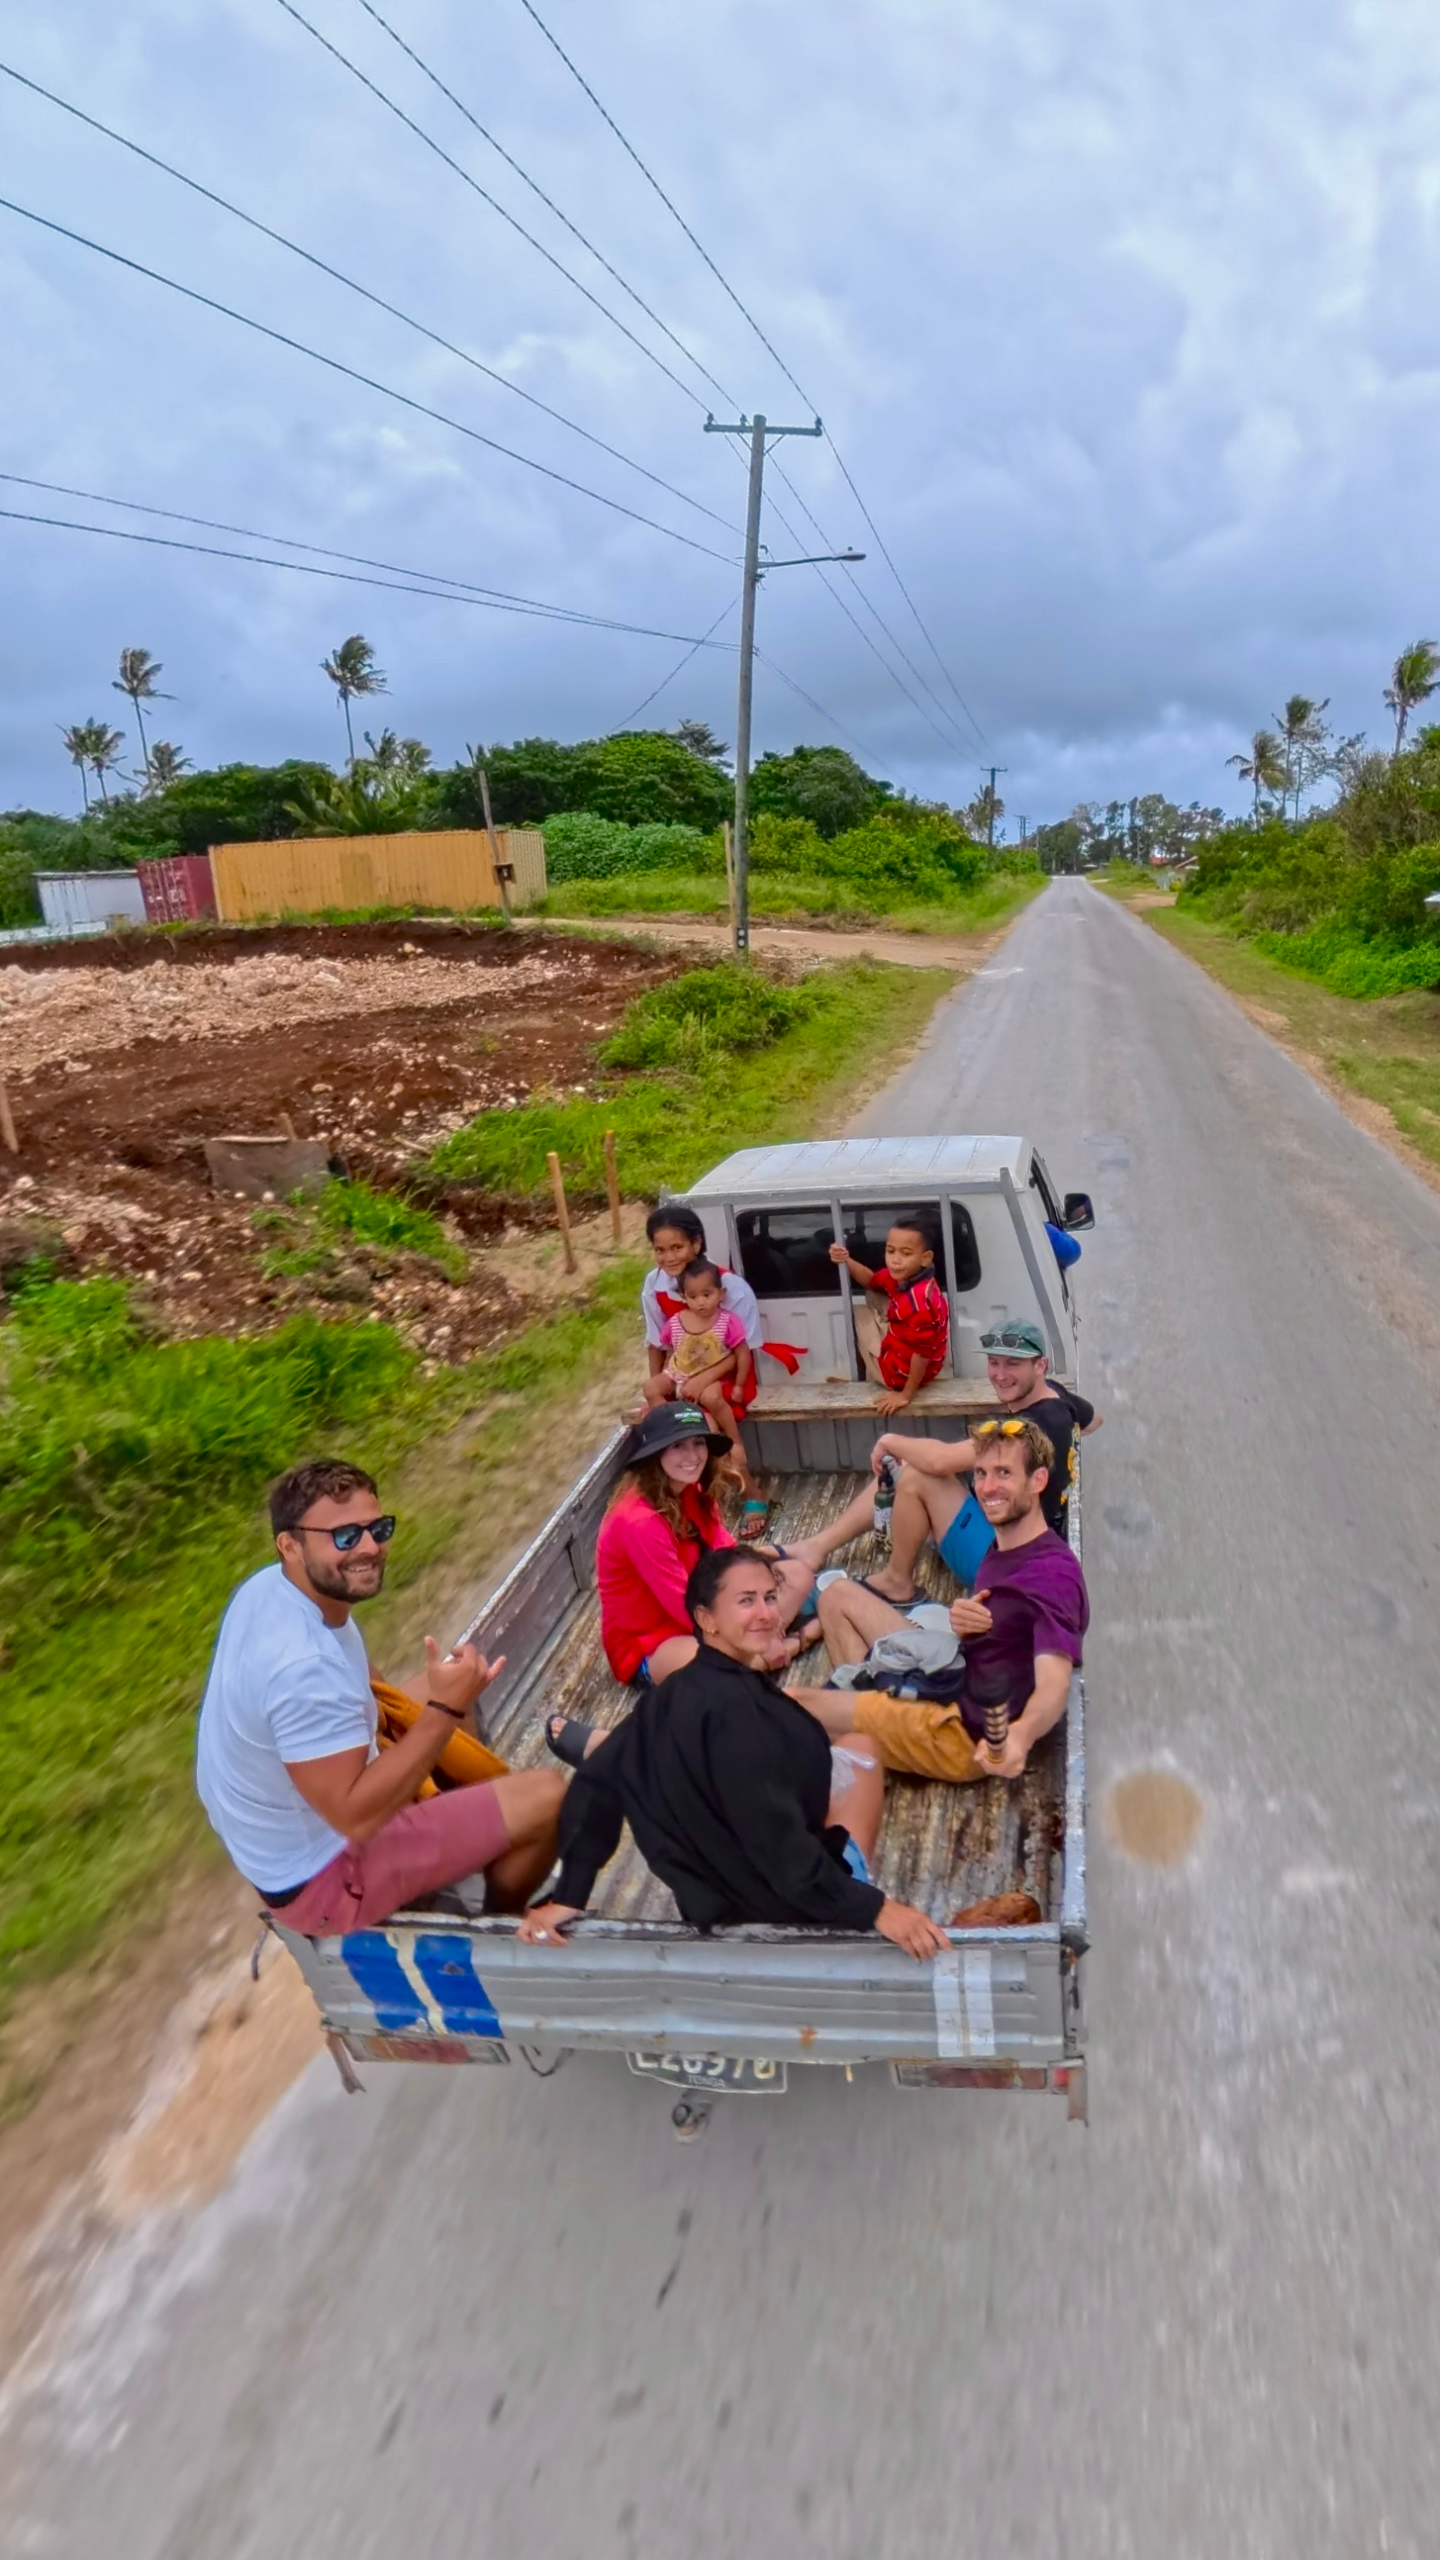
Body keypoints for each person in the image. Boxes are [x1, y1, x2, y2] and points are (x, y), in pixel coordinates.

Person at [196, 1458, 565, 1932]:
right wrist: (443, 1709)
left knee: (449, 1687)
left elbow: (360, 1679)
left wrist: (439, 1706)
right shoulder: (301, 1669)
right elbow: (354, 1819)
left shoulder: (271, 1588)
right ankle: (496, 1923)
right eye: (345, 1536)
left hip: (290, 1825)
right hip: (323, 1876)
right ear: (289, 1544)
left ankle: (474, 1834)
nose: (369, 1548)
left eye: (378, 1528)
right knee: (550, 1794)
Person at [523, 1545, 948, 1957]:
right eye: (746, 1601)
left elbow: (597, 1779)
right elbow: (785, 1859)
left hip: (711, 1904)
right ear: (706, 1618)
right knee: (864, 1752)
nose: (766, 1613)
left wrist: (571, 1892)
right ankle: (858, 1873)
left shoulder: (669, 1694)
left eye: (769, 1597)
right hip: (793, 1910)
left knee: (851, 1746)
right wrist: (877, 1908)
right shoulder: (742, 1722)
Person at [803, 1418, 1088, 1787]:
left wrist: (1021, 1735)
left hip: (959, 1732)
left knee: (799, 1705)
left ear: (1037, 1481)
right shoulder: (1006, 1546)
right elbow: (1007, 1627)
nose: (987, 1487)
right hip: (954, 1671)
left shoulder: (1051, 1574)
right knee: (836, 1597)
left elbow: (1055, 1679)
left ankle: (870, 1743)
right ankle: (875, 1730)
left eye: (1003, 1473)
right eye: (981, 1473)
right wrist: (962, 1620)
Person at [594, 1402, 869, 1688]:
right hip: (654, 1640)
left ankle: (762, 1648)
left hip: (709, 1602)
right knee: (720, 1666)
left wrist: (756, 1603)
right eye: (677, 1446)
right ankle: (797, 1639)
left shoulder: (692, 1489)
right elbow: (683, 1605)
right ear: (655, 1455)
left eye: (698, 1443)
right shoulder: (639, 1521)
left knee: (798, 1574)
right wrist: (757, 1633)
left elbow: (729, 1558)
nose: (692, 1456)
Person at [859, 1314, 1101, 1605]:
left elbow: (940, 1461)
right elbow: (1093, 1421)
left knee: (916, 1475)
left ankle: (896, 1582)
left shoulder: (1030, 1428)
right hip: (1035, 1532)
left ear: (1040, 1365)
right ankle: (817, 1547)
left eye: (1013, 1364)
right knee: (914, 1463)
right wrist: (1063, 1445)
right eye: (994, 1362)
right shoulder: (1055, 1396)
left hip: (1006, 1562)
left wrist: (888, 1441)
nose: (1000, 1374)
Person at [641, 1203, 767, 1531]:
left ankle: (750, 1490)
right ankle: (690, 1494)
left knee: (705, 1424)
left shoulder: (729, 1288)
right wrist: (661, 1392)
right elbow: (657, 1342)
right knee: (671, 1423)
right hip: (682, 1372)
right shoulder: (654, 1286)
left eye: (677, 1247)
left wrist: (702, 1380)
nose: (668, 1258)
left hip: (727, 1373)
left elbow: (744, 1349)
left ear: (697, 1244)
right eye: (660, 1249)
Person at [828, 1216, 950, 1417]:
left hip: (899, 1375)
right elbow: (873, 1282)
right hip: (925, 1361)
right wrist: (846, 1260)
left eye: (906, 1253)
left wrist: (905, 1395)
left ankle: (867, 1378)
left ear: (925, 1258)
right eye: (890, 1250)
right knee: (873, 1294)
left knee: (860, 1314)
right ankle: (891, 1330)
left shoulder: (918, 1304)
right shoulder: (916, 1279)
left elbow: (922, 1354)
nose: (895, 1260)